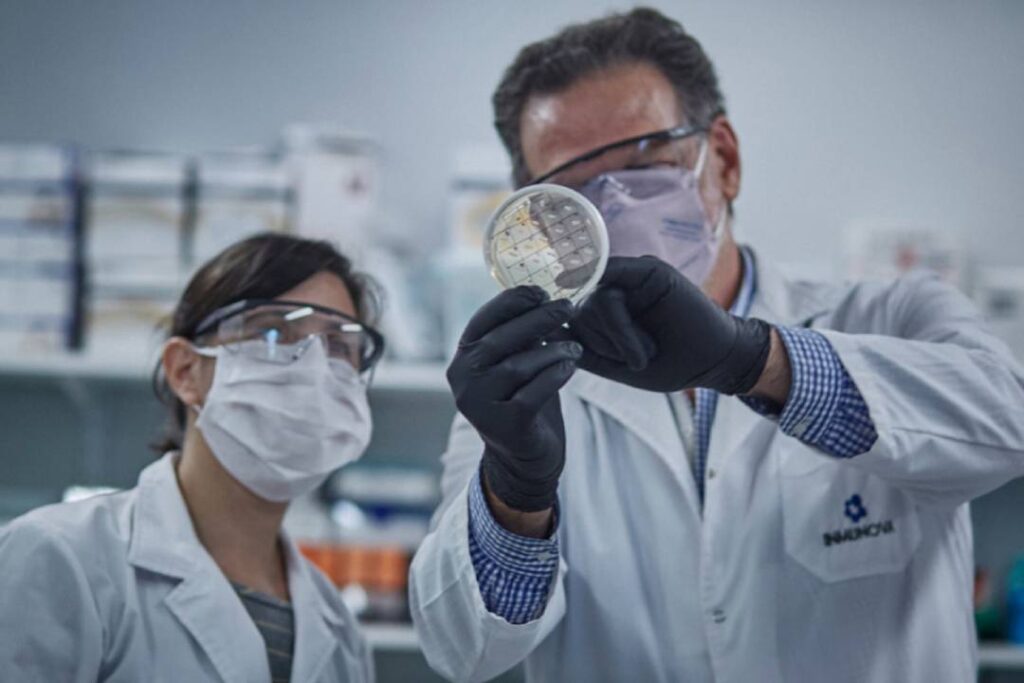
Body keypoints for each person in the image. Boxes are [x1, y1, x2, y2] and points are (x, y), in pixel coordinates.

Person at [409, 8, 1024, 683]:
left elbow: (1006, 427)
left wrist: (754, 360)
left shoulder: (892, 313)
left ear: (723, 159)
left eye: (643, 163)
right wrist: (516, 492)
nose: (612, 209)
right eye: (573, 190)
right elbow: (463, 649)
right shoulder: (528, 393)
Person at [0, 233, 384, 682]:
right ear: (185, 371)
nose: (313, 370)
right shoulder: (62, 557)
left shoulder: (340, 629)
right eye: (273, 332)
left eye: (339, 346)